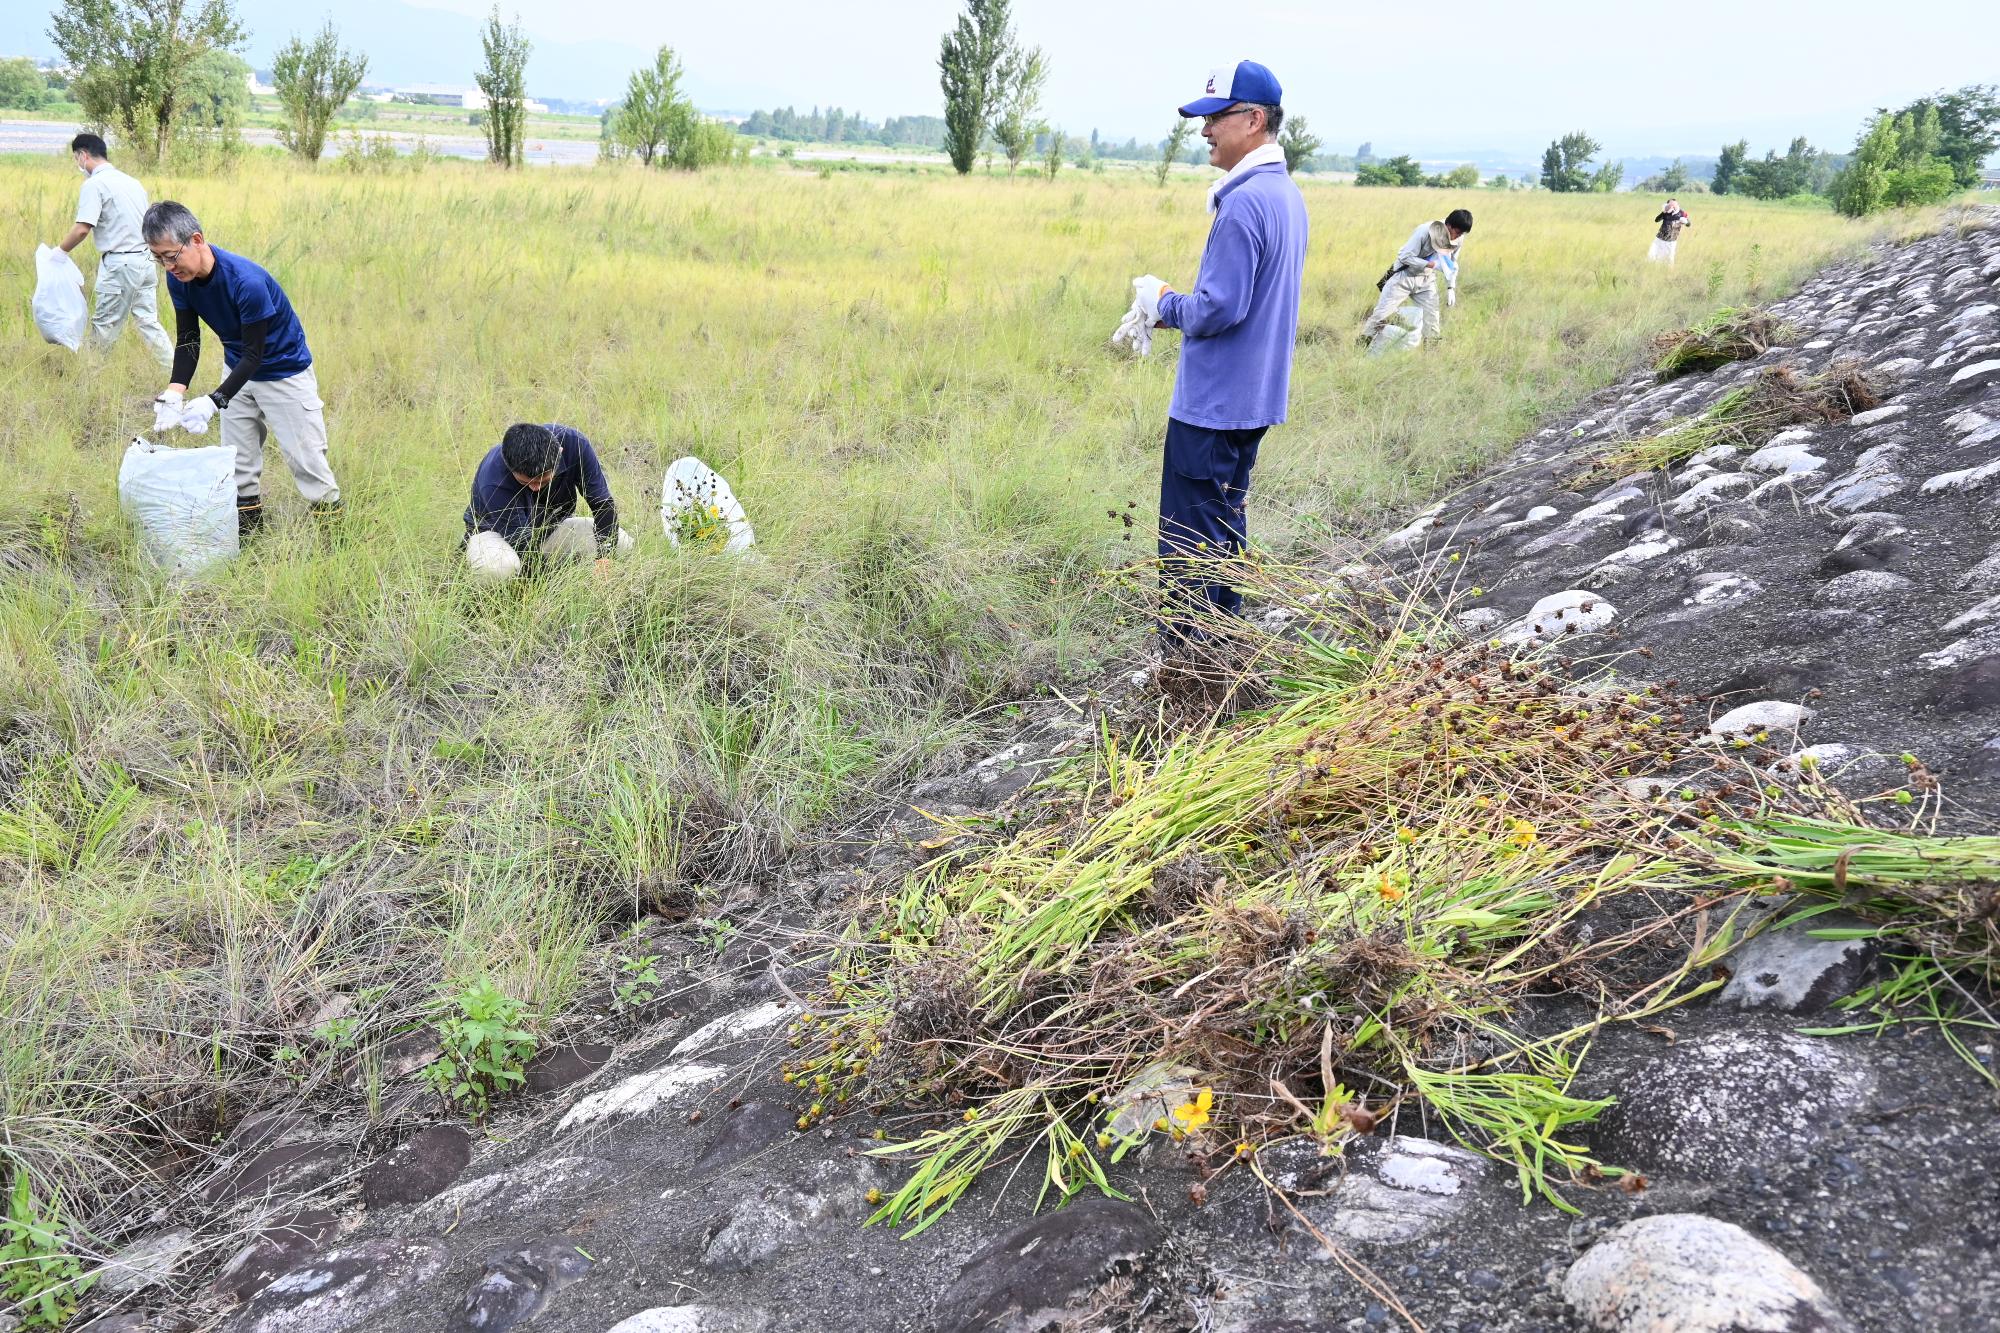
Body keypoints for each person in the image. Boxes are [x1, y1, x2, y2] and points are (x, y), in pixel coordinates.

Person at [1125, 60, 1309, 656]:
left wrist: (1162, 303)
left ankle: (1188, 678)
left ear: (1253, 120)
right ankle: (1227, 659)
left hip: (1211, 409)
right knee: (1224, 538)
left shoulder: (1244, 204)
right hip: (1252, 402)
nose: (1204, 131)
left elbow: (1217, 308)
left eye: (1216, 118)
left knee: (1186, 550)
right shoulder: (1285, 195)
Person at [142, 200, 341, 537]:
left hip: (283, 373)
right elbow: (188, 339)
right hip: (237, 369)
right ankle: (249, 541)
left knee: (307, 462)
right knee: (237, 464)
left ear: (197, 240)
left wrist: (214, 400)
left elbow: (256, 354)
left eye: (171, 255)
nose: (167, 266)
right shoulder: (179, 280)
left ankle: (337, 544)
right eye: (157, 257)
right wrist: (175, 391)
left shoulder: (245, 281)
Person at [54, 133, 171, 370]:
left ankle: (89, 381)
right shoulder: (132, 182)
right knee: (148, 322)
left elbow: (82, 229)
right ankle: (175, 374)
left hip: (120, 265)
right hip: (146, 260)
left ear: (83, 155)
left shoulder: (94, 184)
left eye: (77, 158)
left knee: (104, 325)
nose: (78, 164)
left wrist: (58, 252)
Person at [464, 423, 633, 581]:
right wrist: (554, 590)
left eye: (543, 481)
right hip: (497, 536)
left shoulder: (575, 444)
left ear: (559, 452)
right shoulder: (493, 478)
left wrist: (604, 559)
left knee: (621, 543)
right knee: (499, 569)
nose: (536, 488)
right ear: (509, 466)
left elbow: (602, 505)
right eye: (526, 483)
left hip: (549, 530)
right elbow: (525, 549)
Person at [1360, 209, 1472, 348]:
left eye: (1462, 234)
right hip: (1404, 276)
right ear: (1448, 226)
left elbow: (1452, 263)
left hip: (1427, 279)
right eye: (1457, 233)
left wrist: (1451, 287)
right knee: (1380, 316)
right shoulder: (1425, 231)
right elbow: (1405, 257)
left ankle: (1431, 359)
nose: (1458, 237)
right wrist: (1431, 264)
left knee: (1432, 322)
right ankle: (1359, 350)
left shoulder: (1459, 237)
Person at [1650, 199, 1692, 263]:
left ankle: (1670, 271)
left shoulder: (1682, 213)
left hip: (1671, 240)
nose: (1673, 205)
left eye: (1675, 204)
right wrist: (1663, 212)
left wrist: (1686, 221)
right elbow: (1656, 220)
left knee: (1669, 259)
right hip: (1660, 238)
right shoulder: (1666, 212)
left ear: (1677, 204)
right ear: (1668, 205)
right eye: (1671, 204)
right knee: (1653, 256)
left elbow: (1689, 224)